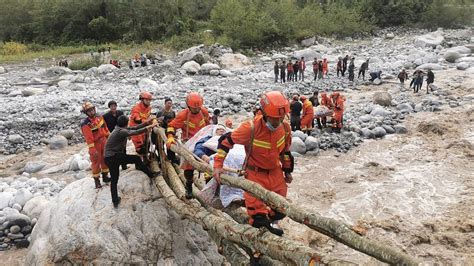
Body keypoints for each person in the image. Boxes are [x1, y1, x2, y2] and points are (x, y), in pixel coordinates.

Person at [214, 91, 294, 237]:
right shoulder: (250, 128)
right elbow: (225, 142)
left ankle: (268, 226)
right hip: (255, 175)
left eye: (281, 118)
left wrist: (287, 171)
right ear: (264, 114)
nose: (278, 122)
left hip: (276, 173)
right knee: (257, 217)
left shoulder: (285, 128)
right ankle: (258, 249)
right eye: (275, 118)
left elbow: (285, 152)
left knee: (281, 210)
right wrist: (218, 165)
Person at [104, 115, 158, 207]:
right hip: (113, 157)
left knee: (114, 179)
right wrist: (148, 128)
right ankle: (151, 174)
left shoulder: (118, 128)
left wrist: (146, 123)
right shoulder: (121, 131)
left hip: (110, 157)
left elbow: (134, 127)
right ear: (125, 123)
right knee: (136, 159)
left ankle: (115, 201)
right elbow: (135, 132)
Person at [167, 92, 211, 199]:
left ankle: (210, 189)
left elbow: (209, 124)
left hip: (203, 141)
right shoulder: (182, 115)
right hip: (189, 142)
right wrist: (170, 137)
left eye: (198, 108)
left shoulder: (204, 112)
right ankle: (189, 186)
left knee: (209, 164)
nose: (196, 110)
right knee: (188, 167)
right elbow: (171, 126)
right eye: (194, 108)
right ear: (188, 106)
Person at [80, 102, 110, 189]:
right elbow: (88, 137)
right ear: (86, 113)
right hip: (95, 144)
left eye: (92, 109)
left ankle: (105, 176)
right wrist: (92, 148)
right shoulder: (86, 123)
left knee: (105, 158)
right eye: (89, 110)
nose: (92, 111)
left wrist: (109, 137)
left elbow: (105, 128)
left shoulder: (99, 117)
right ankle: (97, 181)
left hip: (103, 140)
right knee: (96, 162)